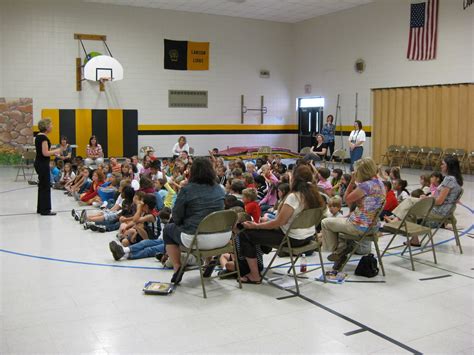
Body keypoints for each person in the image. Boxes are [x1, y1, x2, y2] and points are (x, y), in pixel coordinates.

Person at [237, 165, 325, 284]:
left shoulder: (294, 197)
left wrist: (256, 226)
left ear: (294, 179)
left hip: (292, 239)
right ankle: (262, 252)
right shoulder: (316, 195)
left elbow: (279, 222)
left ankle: (254, 275)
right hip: (308, 236)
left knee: (245, 234)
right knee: (262, 228)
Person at [163, 157, 226, 284]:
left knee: (168, 230)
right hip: (222, 237)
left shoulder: (187, 190)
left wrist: (181, 223)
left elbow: (176, 216)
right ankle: (208, 262)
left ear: (192, 172)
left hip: (197, 238)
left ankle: (177, 267)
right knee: (207, 223)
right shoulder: (220, 188)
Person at [321, 158, 385, 271]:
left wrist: (352, 181)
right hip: (373, 226)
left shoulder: (365, 186)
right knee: (339, 224)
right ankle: (343, 247)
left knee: (325, 222)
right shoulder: (379, 183)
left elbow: (346, 199)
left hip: (359, 226)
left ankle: (337, 252)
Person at [34, 118, 64, 215]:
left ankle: (40, 208)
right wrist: (57, 151)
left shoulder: (38, 136)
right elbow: (45, 153)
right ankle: (45, 210)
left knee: (42, 186)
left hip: (39, 162)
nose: (52, 127)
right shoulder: (43, 138)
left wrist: (54, 153)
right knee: (46, 186)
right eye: (51, 125)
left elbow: (43, 152)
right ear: (46, 127)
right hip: (42, 163)